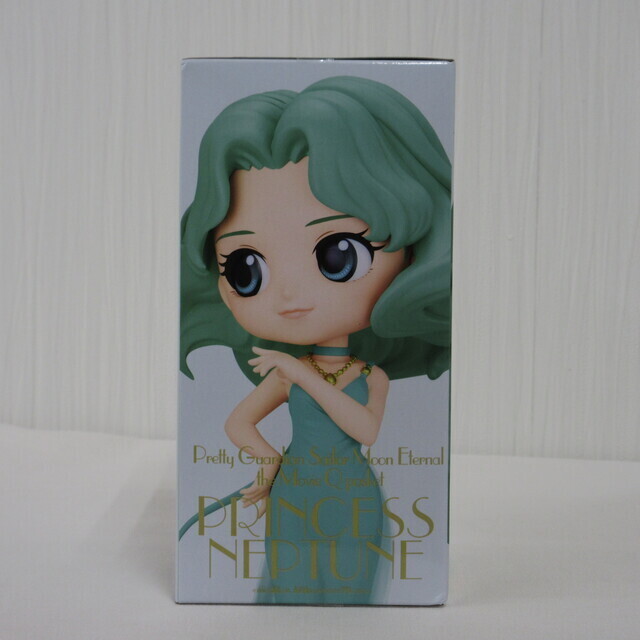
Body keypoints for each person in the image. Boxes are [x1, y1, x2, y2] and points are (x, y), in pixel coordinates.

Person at [179, 76, 452, 604]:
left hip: (352, 496)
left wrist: (298, 372)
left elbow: (365, 430)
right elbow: (237, 423)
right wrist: (268, 462)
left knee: (350, 590)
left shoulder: (369, 376)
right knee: (288, 586)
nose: (288, 296)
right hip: (295, 491)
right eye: (245, 268)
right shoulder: (288, 374)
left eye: (339, 254)